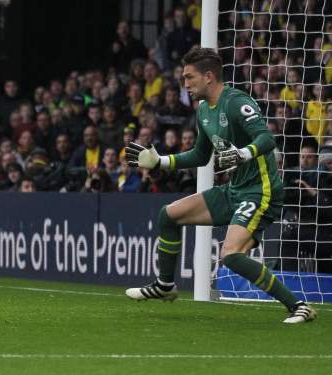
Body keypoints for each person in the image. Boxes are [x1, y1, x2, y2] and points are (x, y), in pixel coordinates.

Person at [125, 47, 314, 324]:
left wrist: (242, 154)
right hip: (233, 190)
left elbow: (266, 139)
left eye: (190, 78)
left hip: (260, 191)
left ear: (209, 77)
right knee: (169, 214)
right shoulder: (203, 110)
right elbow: (201, 155)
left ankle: (299, 305)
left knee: (231, 256)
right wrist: (160, 161)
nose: (185, 84)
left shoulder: (237, 102)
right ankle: (165, 285)